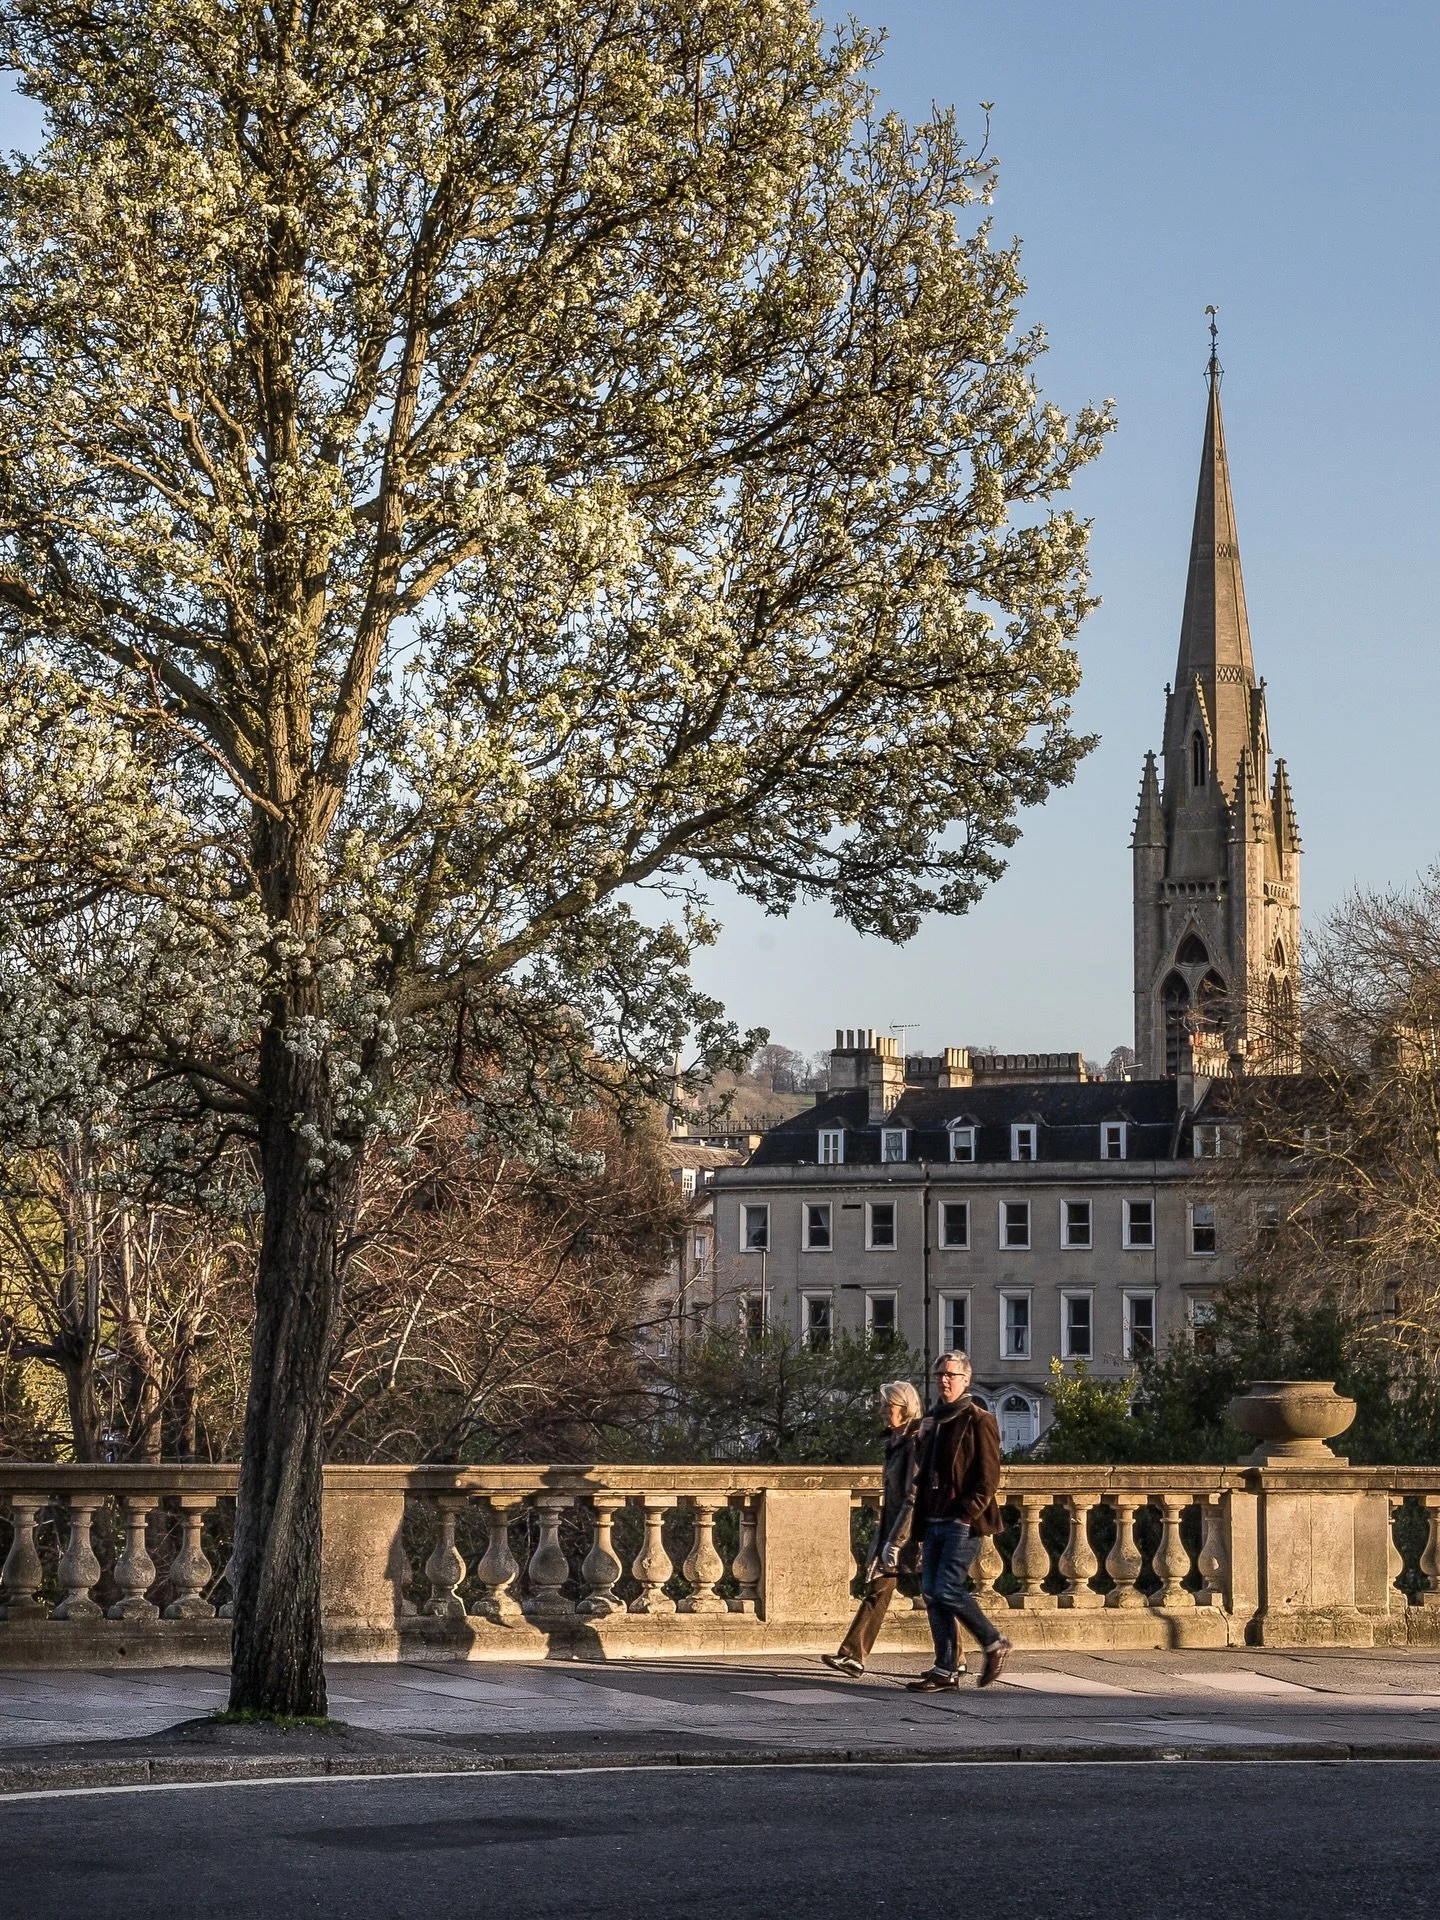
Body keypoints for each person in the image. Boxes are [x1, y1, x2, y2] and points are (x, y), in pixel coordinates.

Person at [905, 1350, 1012, 1692]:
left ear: (966, 1380)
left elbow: (989, 1477)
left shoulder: (979, 1420)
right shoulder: (934, 1420)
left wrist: (967, 1512)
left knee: (946, 1588)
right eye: (940, 1375)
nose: (944, 1380)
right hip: (933, 1518)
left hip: (961, 1522)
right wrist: (921, 1440)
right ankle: (945, 1669)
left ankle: (993, 1641)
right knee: (932, 1593)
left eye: (950, 1375)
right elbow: (925, 1473)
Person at [821, 1380, 924, 1679]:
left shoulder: (914, 1444)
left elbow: (913, 1496)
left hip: (914, 1533)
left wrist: (897, 1540)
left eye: (887, 1405)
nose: (881, 1410)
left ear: (905, 1409)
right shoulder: (895, 1442)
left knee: (936, 1595)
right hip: (894, 1529)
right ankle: (853, 1655)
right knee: (878, 1588)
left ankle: (956, 1658)